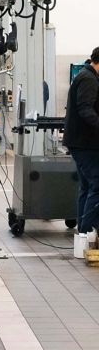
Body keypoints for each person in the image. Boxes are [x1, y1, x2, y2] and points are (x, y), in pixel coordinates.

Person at [63, 48, 99, 236]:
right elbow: (85, 109)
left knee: (86, 187)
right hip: (85, 144)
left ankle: (84, 234)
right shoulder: (89, 79)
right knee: (97, 185)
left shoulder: (87, 76)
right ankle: (87, 232)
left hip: (82, 142)